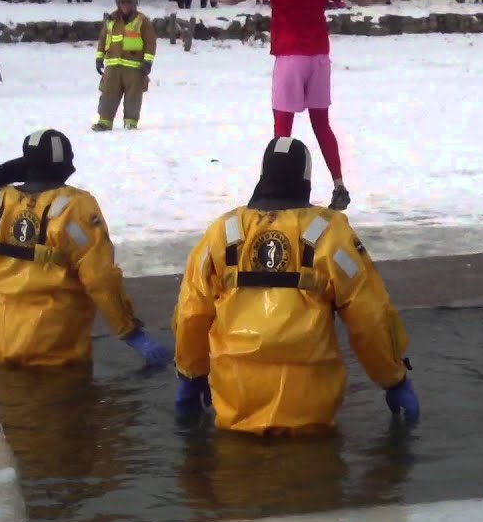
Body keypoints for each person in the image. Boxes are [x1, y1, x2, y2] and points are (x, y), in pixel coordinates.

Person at [171, 136, 420, 434]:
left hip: (236, 401)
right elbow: (370, 316)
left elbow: (191, 312)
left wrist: (190, 375)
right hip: (309, 408)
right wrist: (394, 378)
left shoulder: (222, 233)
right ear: (307, 180)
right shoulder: (331, 235)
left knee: (234, 476)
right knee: (310, 475)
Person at [168, 0, 405, 211]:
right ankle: (339, 184)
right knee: (322, 125)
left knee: (283, 129)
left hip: (290, 57)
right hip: (318, 57)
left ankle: (276, 188)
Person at [0, 129, 172, 369]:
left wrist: (4, 291)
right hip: (58, 349)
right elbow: (100, 277)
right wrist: (129, 330)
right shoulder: (76, 208)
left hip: (4, 342)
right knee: (66, 402)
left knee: (11, 401)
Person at [93, 0, 156, 131]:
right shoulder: (111, 20)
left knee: (133, 97)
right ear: (118, 4)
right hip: (113, 67)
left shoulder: (142, 21)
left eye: (128, 2)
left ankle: (131, 123)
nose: (125, 5)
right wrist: (99, 58)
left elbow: (150, 43)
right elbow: (103, 39)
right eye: (122, 2)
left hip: (134, 68)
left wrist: (147, 62)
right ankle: (104, 122)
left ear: (134, 3)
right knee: (108, 94)